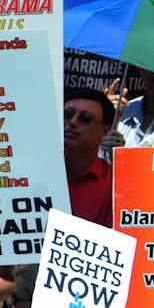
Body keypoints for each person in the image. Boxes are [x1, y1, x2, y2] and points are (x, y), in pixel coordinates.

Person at [63, 87, 116, 229]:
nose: (72, 122)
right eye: (67, 114)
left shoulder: (116, 185)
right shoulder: (30, 174)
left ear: (105, 131)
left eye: (85, 118)